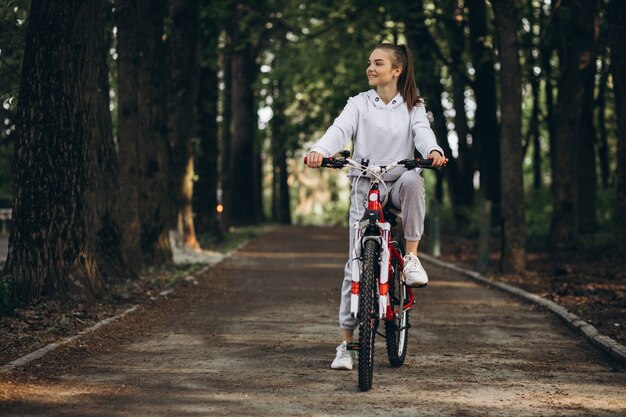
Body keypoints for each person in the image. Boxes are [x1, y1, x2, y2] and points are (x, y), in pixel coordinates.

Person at [305, 43, 447, 370]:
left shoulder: (413, 106)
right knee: (354, 263)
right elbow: (339, 130)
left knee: (414, 180)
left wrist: (434, 151)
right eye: (369, 62)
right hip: (363, 184)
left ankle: (410, 257)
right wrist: (319, 150)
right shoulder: (359, 104)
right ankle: (345, 345)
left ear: (396, 70)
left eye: (378, 63)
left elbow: (423, 134)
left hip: (396, 183)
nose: (370, 68)